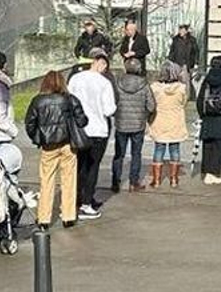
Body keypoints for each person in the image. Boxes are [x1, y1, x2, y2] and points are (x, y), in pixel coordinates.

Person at [24, 69, 86, 229]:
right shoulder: (70, 99)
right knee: (69, 180)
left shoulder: (38, 101)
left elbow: (29, 124)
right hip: (68, 145)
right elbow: (82, 120)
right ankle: (68, 216)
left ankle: (44, 218)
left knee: (46, 181)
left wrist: (38, 138)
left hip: (48, 146)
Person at [68, 50, 117, 219]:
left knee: (78, 165)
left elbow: (69, 100)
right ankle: (87, 204)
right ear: (100, 63)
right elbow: (109, 109)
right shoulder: (104, 83)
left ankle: (75, 199)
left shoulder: (75, 78)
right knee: (92, 167)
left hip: (79, 129)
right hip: (98, 129)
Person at [110, 56, 156, 193]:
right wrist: (146, 115)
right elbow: (151, 105)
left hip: (121, 123)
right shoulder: (144, 84)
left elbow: (112, 102)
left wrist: (117, 114)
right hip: (138, 124)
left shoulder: (118, 82)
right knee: (136, 154)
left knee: (119, 154)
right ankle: (133, 182)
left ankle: (115, 182)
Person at [147, 63, 190, 187]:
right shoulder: (182, 88)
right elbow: (184, 103)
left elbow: (151, 104)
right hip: (175, 120)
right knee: (175, 149)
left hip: (159, 120)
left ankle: (156, 180)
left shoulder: (154, 87)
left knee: (158, 149)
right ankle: (174, 179)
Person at [197, 56, 221, 186]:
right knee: (218, 147)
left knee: (207, 146)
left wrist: (202, 115)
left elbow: (200, 100)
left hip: (208, 118)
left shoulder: (206, 81)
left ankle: (206, 171)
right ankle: (213, 173)